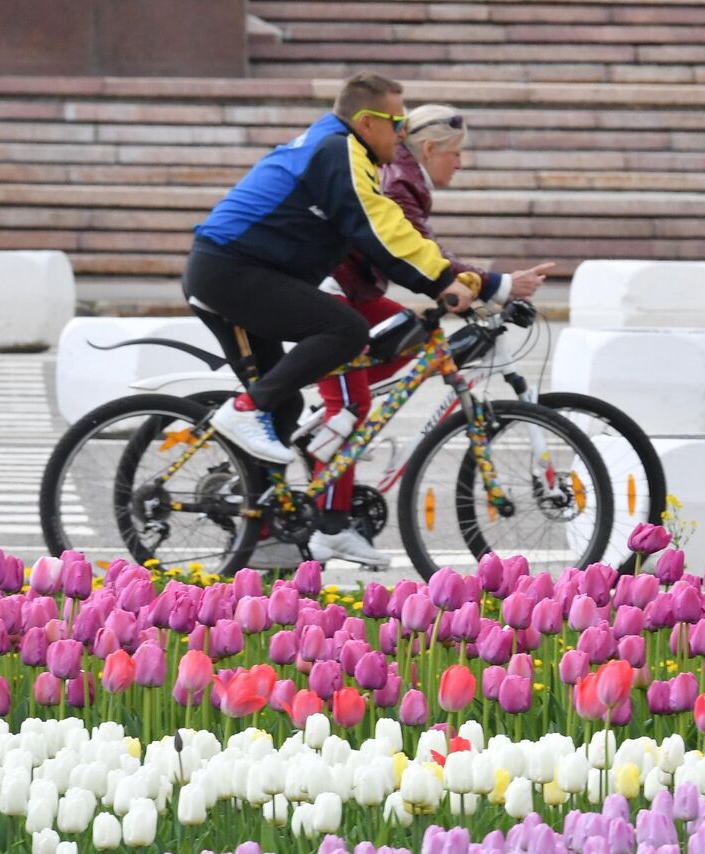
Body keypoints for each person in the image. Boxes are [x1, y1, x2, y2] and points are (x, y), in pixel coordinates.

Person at [182, 71, 478, 467]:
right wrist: (442, 281)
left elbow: (385, 224)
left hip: (237, 270)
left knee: (284, 408)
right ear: (367, 122)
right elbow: (380, 229)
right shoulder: (339, 152)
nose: (401, 134)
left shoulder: (342, 151)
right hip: (230, 270)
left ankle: (262, 520)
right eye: (396, 124)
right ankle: (243, 409)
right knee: (345, 329)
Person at [304, 103, 553, 569]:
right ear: (431, 147)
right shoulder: (401, 181)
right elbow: (420, 253)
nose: (460, 163)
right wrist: (491, 283)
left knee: (414, 342)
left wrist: (477, 288)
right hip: (331, 293)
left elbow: (424, 254)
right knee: (353, 404)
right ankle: (331, 527)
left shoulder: (405, 177)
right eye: (456, 153)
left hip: (352, 289)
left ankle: (324, 432)